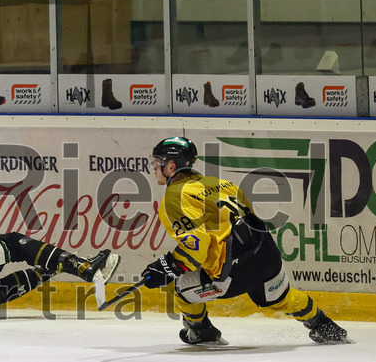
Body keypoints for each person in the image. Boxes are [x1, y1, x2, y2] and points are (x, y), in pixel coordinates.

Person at [139, 136, 349, 345]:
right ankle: (324, 326)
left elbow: (197, 245)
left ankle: (201, 332)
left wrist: (166, 267)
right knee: (281, 297)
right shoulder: (221, 183)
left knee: (180, 289)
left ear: (171, 165)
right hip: (267, 255)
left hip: (234, 271)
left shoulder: (174, 196)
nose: (155, 167)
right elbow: (248, 218)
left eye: (158, 162)